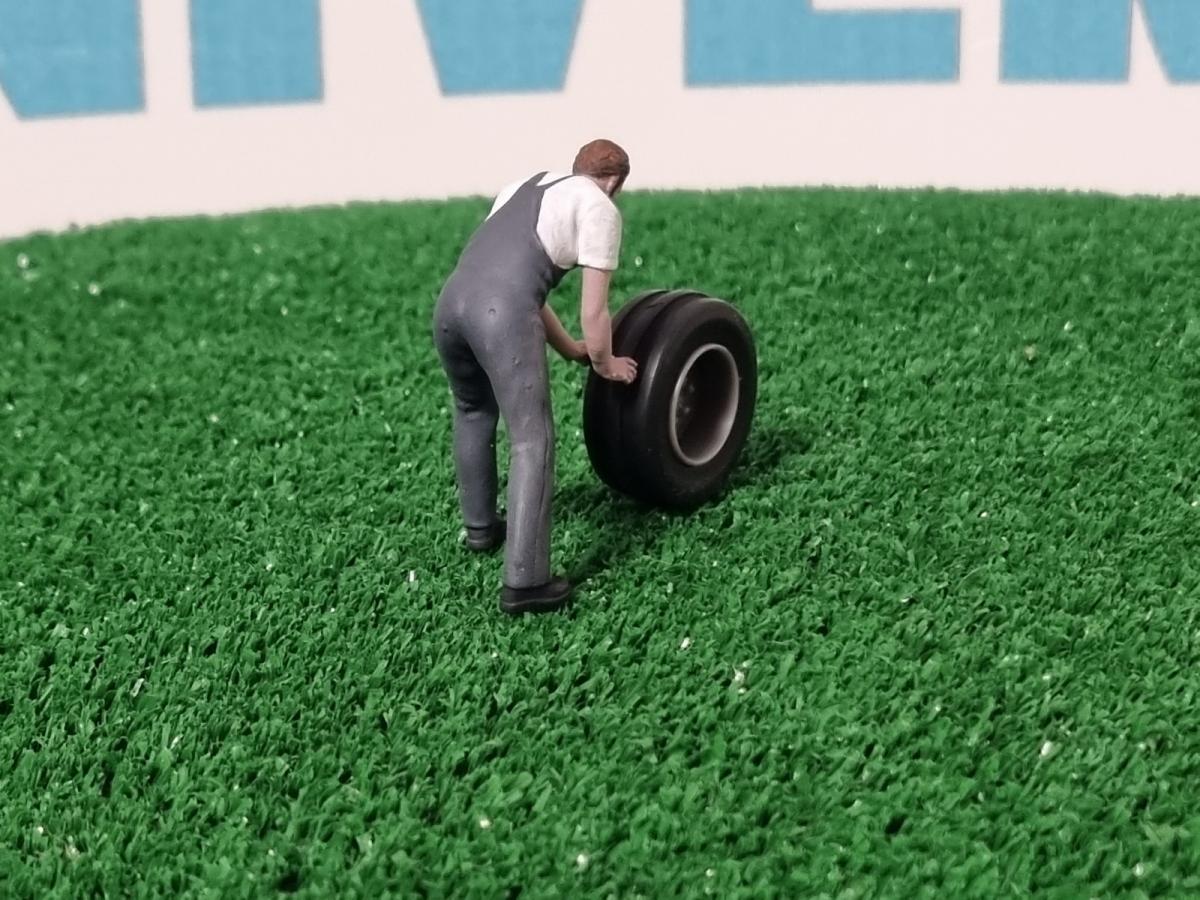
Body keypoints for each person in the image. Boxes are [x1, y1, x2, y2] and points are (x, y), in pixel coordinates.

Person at [432, 139, 638, 615]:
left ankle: (481, 528)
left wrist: (568, 349)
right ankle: (526, 582)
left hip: (450, 305)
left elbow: (518, 283)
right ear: (614, 181)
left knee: (472, 410)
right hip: (500, 312)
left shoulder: (523, 187)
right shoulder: (599, 207)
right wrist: (605, 362)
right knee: (532, 439)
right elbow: (593, 311)